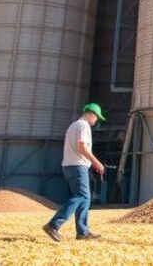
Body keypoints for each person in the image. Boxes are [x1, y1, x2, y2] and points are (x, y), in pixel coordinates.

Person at [43, 103, 106, 241]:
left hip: (70, 166)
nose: (96, 121)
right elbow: (82, 147)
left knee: (85, 197)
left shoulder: (73, 126)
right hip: (77, 166)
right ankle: (54, 225)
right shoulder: (83, 126)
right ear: (91, 114)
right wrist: (96, 162)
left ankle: (82, 232)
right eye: (96, 117)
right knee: (81, 196)